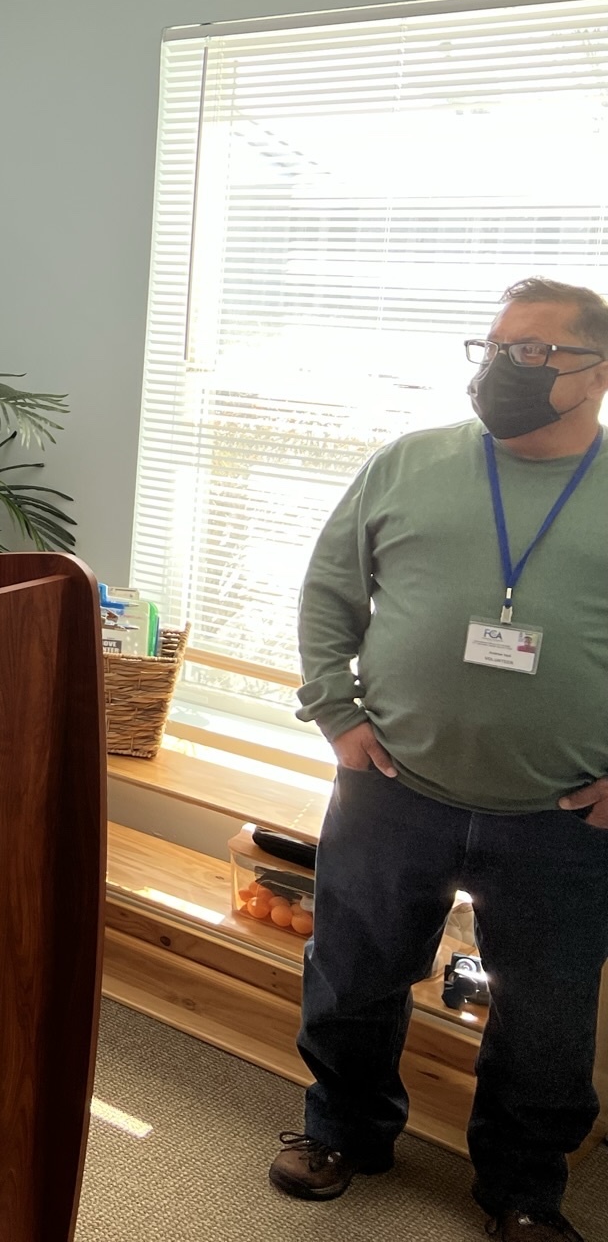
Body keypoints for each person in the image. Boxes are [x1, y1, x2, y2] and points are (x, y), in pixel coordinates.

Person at [274, 277, 608, 1242]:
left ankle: (521, 1186)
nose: (506, 367)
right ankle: (342, 1132)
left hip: (562, 819)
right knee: (353, 976)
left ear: (596, 371)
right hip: (393, 790)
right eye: (496, 347)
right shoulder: (409, 465)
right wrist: (336, 716)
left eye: (536, 352)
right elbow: (327, 593)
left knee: (546, 1021)